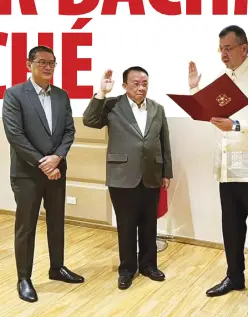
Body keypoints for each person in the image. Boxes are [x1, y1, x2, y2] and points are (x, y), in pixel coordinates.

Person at [188, 25, 248, 317]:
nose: (224, 54)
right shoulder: (224, 79)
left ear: (244, 48)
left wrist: (238, 125)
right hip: (227, 168)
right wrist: (194, 90)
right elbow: (210, 113)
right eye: (221, 49)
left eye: (228, 48)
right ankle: (235, 277)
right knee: (231, 227)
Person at [2, 45, 84, 303]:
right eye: (42, 62)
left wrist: (57, 158)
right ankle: (24, 278)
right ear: (29, 65)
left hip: (57, 170)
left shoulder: (62, 95)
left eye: (52, 63)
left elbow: (69, 131)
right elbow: (15, 135)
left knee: (56, 221)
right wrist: (43, 163)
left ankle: (57, 267)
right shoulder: (14, 94)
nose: (47, 67)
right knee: (26, 227)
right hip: (27, 173)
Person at [82, 67, 173, 290]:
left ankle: (149, 265)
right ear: (124, 85)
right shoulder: (112, 105)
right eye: (136, 83)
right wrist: (101, 94)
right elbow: (89, 120)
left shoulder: (157, 108)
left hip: (151, 174)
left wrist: (166, 172)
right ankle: (127, 269)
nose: (141, 87)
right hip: (122, 175)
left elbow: (164, 141)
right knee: (126, 224)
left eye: (144, 83)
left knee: (149, 223)